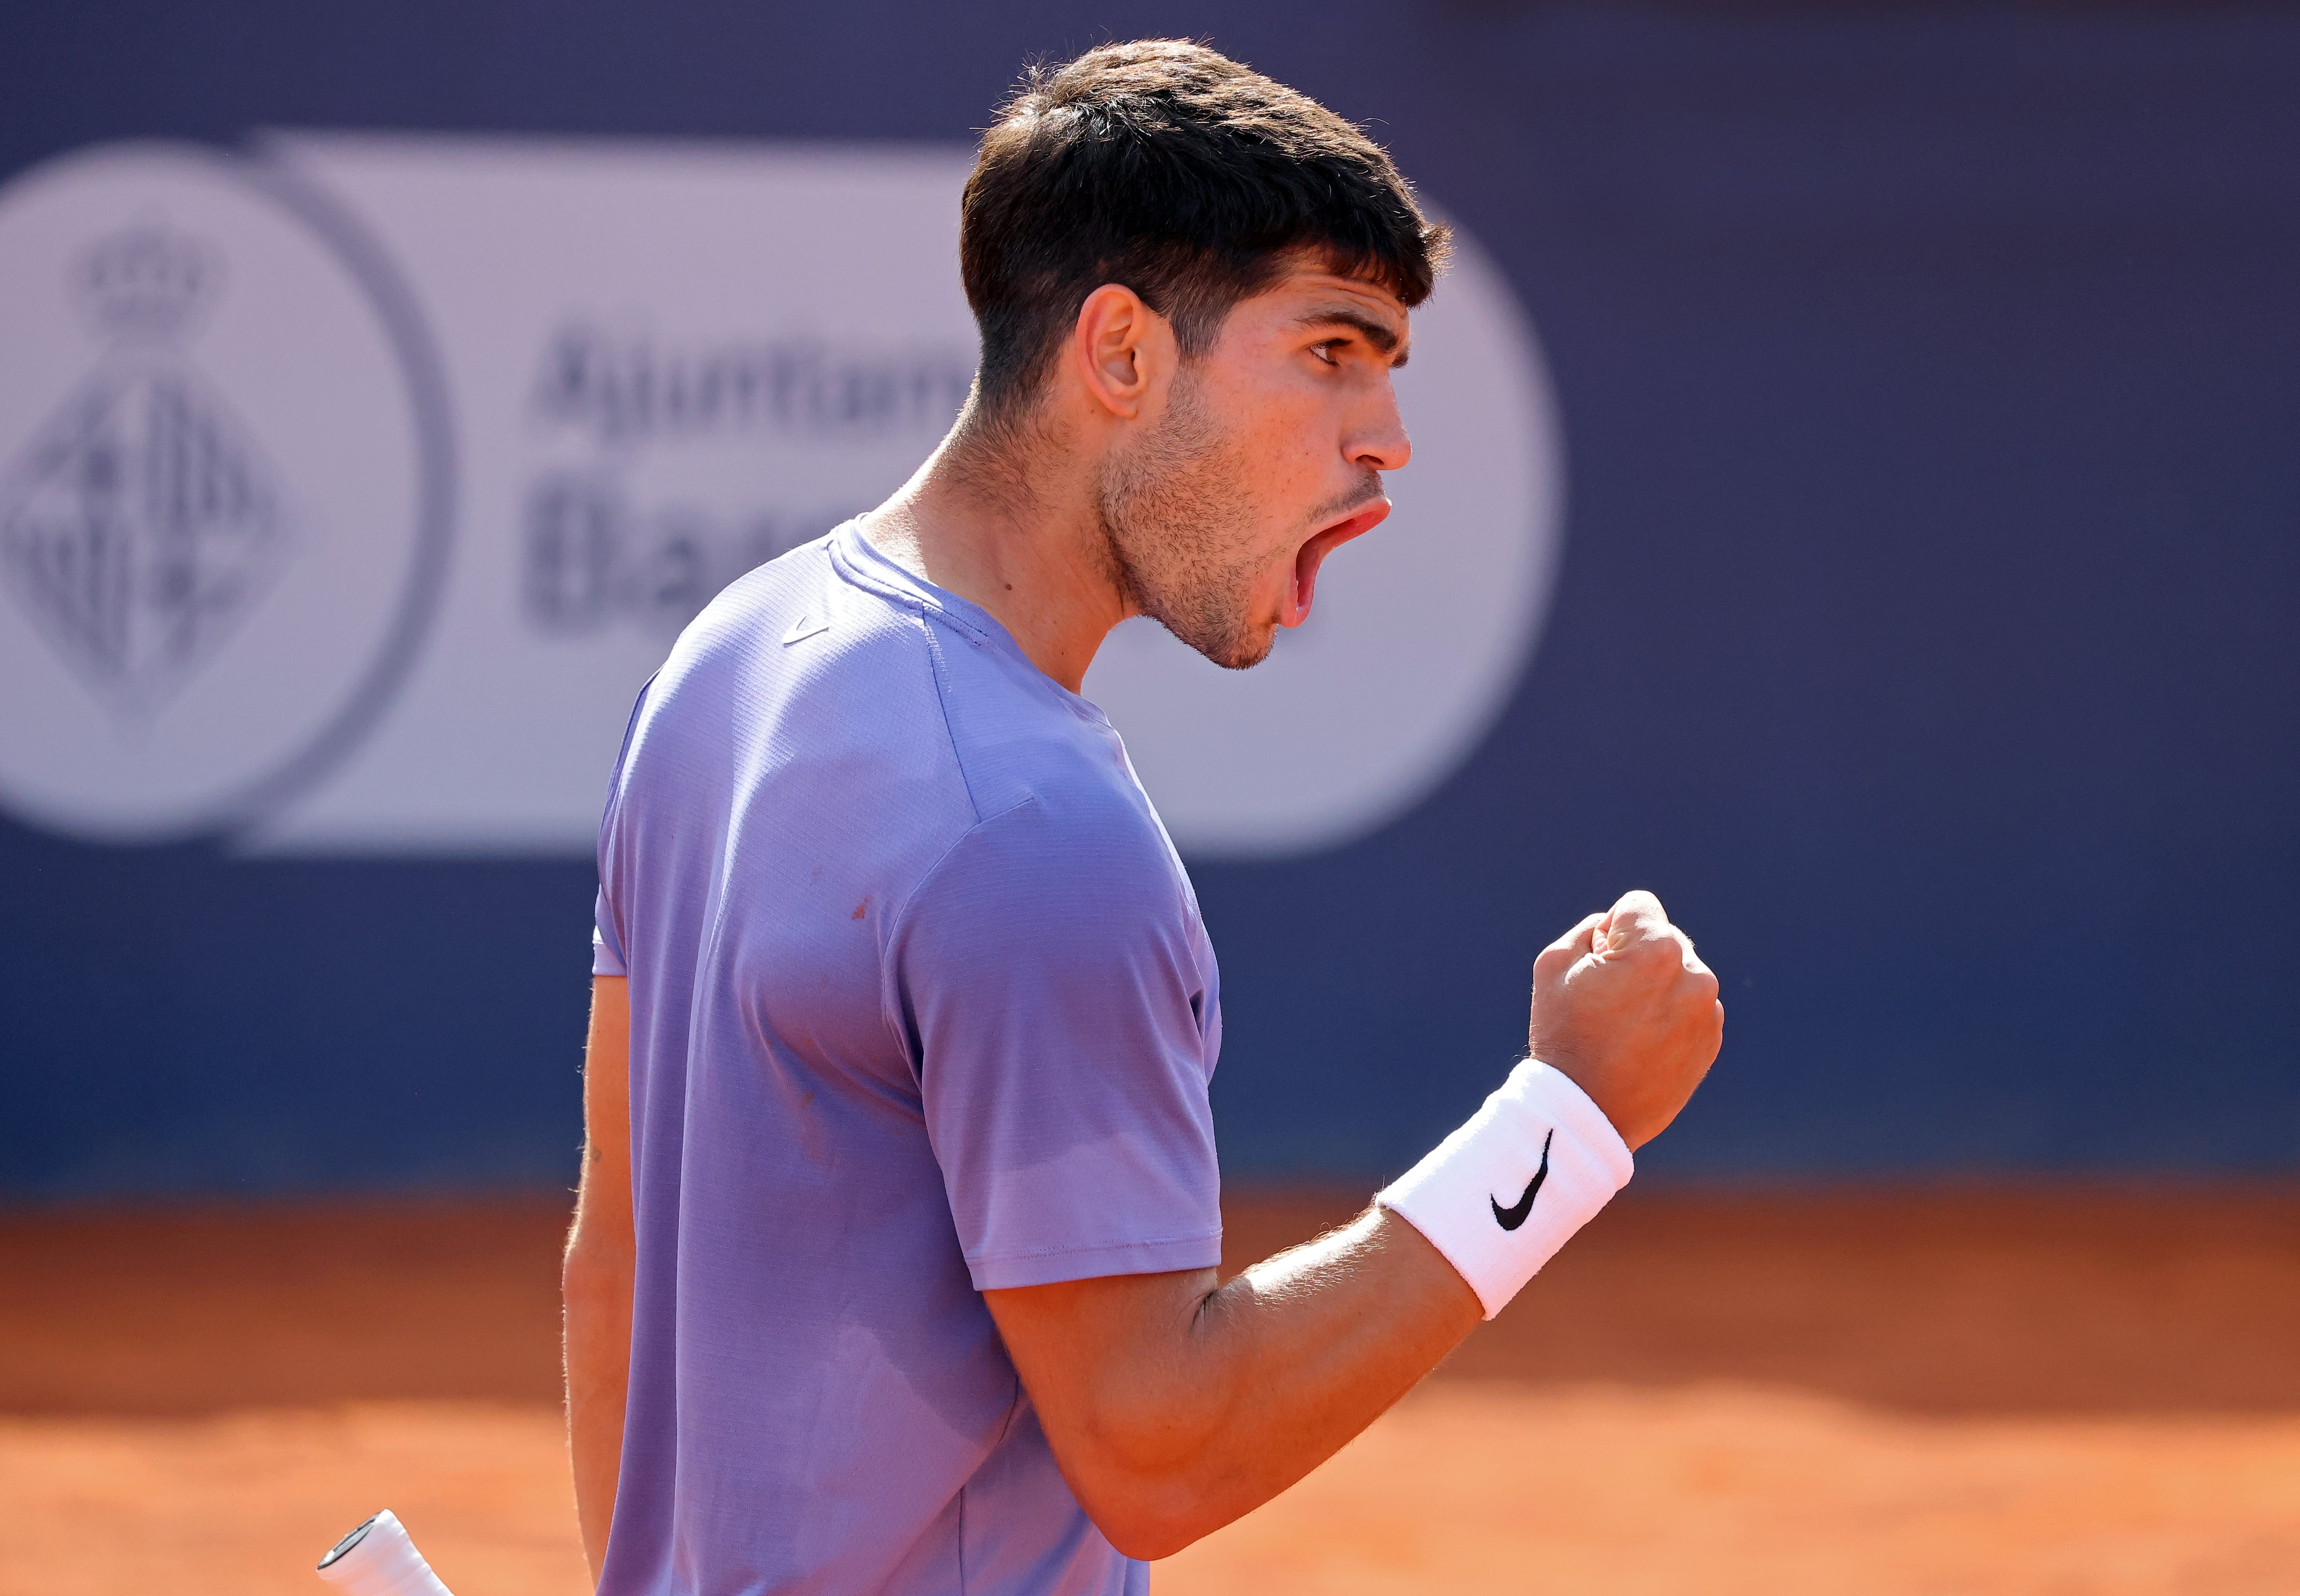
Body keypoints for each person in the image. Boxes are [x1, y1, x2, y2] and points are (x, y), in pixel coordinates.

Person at [562, 38, 1722, 1596]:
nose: (1386, 439)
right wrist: (1565, 1125)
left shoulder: (726, 659)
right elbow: (1157, 1442)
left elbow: (615, 1270)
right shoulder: (1033, 831)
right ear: (1121, 354)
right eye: (1330, 349)